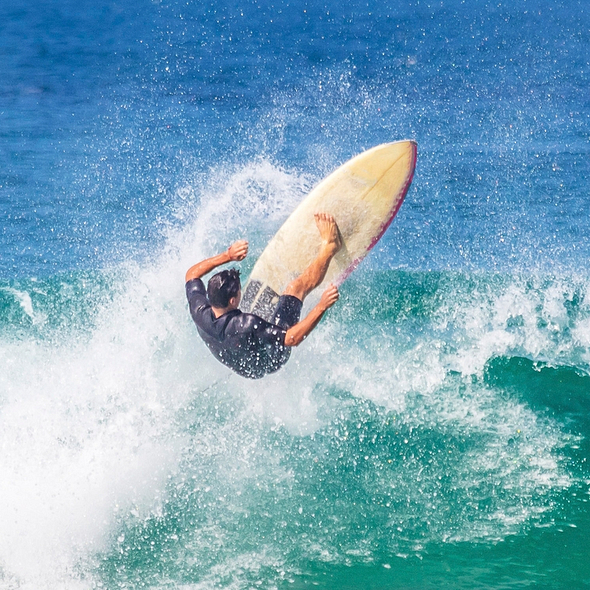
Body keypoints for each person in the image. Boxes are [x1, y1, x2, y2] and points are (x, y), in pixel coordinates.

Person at [185, 213, 342, 379]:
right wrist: (321, 306)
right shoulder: (245, 323)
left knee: (256, 326)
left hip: (245, 369)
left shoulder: (198, 309)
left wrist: (227, 256)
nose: (240, 293)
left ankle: (262, 331)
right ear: (232, 300)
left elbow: (191, 275)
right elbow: (291, 339)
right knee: (295, 287)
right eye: (239, 291)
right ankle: (331, 246)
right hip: (270, 359)